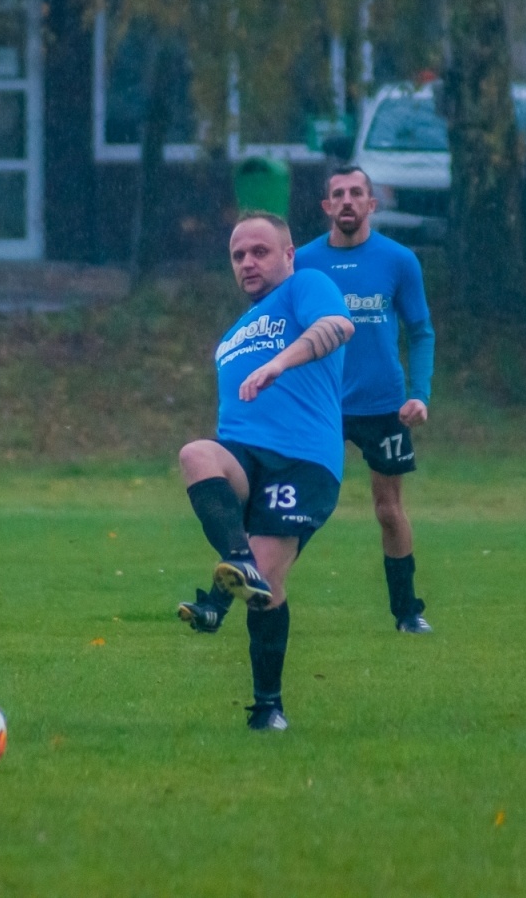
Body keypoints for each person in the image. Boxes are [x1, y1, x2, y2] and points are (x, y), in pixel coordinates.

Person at [175, 212, 354, 731]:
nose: (248, 262)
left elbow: (337, 327)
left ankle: (267, 707)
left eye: (260, 251)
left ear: (289, 254)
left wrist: (281, 362)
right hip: (247, 459)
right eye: (238, 255)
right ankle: (232, 572)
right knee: (195, 454)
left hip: (303, 463)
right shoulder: (230, 336)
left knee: (267, 582)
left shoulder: (307, 286)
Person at [294, 165, 437, 632]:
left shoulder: (398, 260)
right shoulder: (305, 262)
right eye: (339, 194)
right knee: (300, 505)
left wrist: (420, 394)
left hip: (384, 406)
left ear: (372, 204)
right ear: (327, 207)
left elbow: (420, 331)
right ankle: (259, 592)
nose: (348, 201)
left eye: (357, 192)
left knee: (388, 510)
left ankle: (407, 614)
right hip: (323, 405)